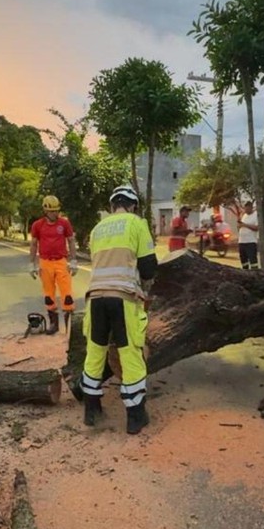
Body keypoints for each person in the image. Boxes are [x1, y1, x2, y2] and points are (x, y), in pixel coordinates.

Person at [79, 185, 158, 435]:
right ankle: (135, 417)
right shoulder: (136, 223)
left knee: (95, 353)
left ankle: (91, 411)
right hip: (123, 299)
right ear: (133, 205)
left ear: (113, 205)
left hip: (95, 299)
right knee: (130, 354)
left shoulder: (97, 229)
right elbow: (148, 267)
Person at [29, 195, 78, 335]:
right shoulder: (37, 225)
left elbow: (71, 241)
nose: (55, 214)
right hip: (45, 263)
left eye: (56, 211)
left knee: (67, 295)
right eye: (52, 211)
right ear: (45, 211)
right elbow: (34, 244)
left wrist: (73, 260)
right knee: (49, 295)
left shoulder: (64, 223)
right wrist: (32, 264)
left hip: (61, 261)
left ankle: (70, 326)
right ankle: (53, 324)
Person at [237, 201, 259, 270]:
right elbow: (241, 226)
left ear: (251, 208)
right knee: (243, 260)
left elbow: (256, 228)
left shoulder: (256, 215)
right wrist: (239, 225)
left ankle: (255, 273)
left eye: (247, 209)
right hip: (242, 242)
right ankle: (245, 271)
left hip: (250, 242)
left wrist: (245, 225)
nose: (245, 210)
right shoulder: (244, 215)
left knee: (252, 260)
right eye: (245, 209)